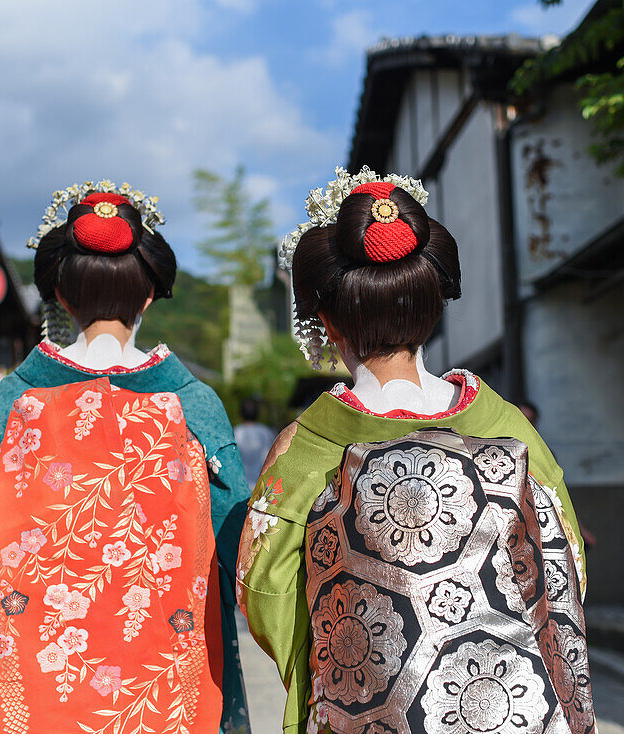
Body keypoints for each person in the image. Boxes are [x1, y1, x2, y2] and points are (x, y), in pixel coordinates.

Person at [236, 167, 593, 734]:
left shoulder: (308, 447)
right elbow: (566, 558)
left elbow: (264, 590)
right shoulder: (507, 428)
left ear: (326, 322)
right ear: (432, 307)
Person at [0, 181, 252, 734]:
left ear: (59, 294)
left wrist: (28, 596)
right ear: (148, 294)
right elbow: (236, 538)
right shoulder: (191, 404)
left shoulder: (16, 398)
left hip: (37, 661)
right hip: (164, 662)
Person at [234, 396, 277, 488]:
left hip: (241, 486)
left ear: (241, 413)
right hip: (262, 486)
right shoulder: (267, 432)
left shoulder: (236, 432)